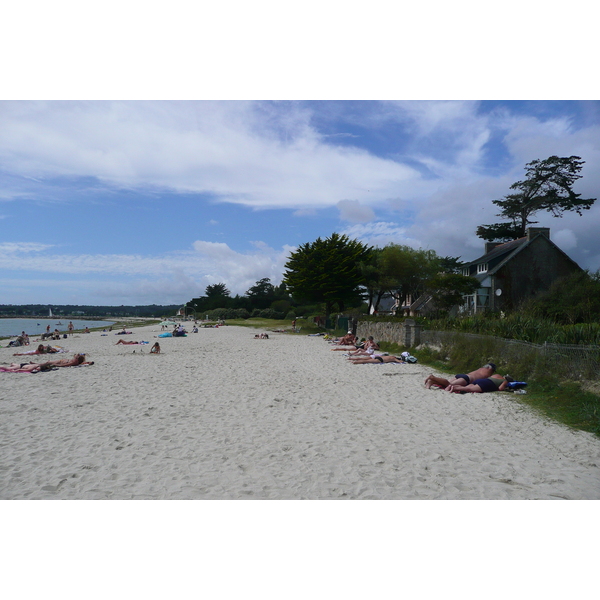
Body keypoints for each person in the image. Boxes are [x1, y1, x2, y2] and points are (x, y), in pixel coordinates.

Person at [425, 363, 496, 389]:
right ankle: (432, 377)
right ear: (490, 368)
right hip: (467, 379)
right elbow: (490, 380)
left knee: (445, 383)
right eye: (493, 370)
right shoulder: (488, 374)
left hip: (463, 375)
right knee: (450, 384)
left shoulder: (480, 369)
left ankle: (431, 382)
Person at [448, 374, 513, 393]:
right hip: (486, 384)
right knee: (468, 389)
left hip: (481, 380)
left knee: (469, 386)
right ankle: (454, 388)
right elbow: (500, 388)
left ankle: (451, 386)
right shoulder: (505, 381)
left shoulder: (497, 375)